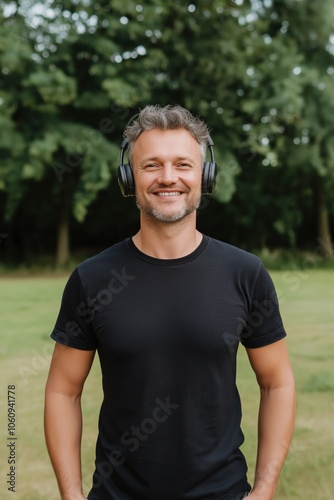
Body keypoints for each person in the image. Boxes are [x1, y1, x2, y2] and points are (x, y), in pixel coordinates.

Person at [44, 104, 296, 500]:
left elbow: (277, 382)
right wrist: (72, 497)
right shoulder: (92, 279)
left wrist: (264, 491)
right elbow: (63, 391)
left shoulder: (245, 273)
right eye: (151, 166)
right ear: (129, 177)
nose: (168, 178)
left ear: (204, 175)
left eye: (182, 164)